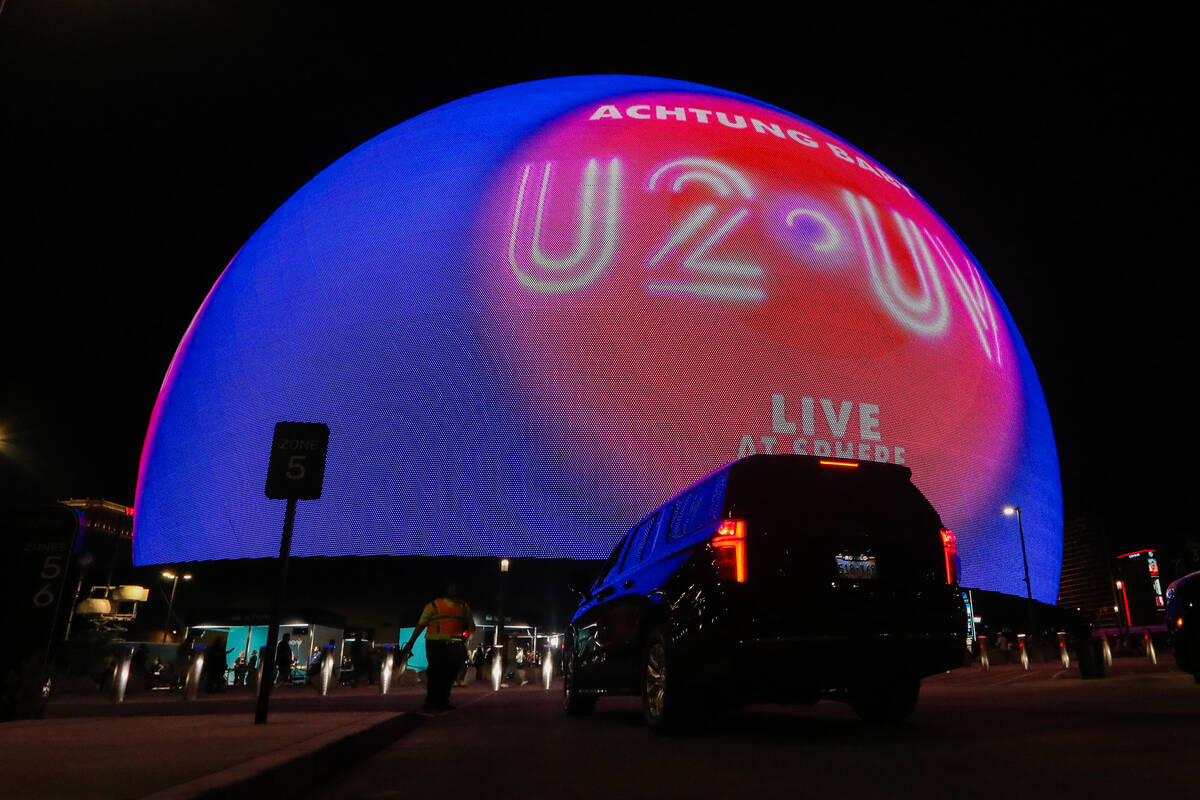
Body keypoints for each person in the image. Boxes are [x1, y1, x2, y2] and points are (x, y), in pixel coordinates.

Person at [401, 582, 475, 712]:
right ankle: (433, 701)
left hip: (447, 645)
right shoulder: (437, 605)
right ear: (444, 590)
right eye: (451, 587)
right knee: (438, 674)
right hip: (438, 644)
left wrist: (467, 636)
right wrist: (410, 642)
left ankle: (440, 701)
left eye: (455, 588)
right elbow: (421, 625)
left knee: (446, 675)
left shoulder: (461, 607)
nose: (453, 590)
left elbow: (471, 626)